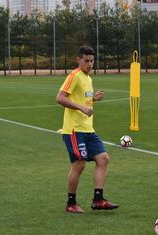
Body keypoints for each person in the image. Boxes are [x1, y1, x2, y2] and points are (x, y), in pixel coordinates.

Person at [56, 46, 119, 214]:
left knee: (103, 159)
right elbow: (60, 97)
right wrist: (81, 108)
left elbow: (83, 100)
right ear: (78, 60)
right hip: (74, 130)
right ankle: (71, 203)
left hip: (88, 129)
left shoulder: (88, 78)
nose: (90, 64)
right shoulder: (74, 76)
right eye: (87, 61)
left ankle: (98, 200)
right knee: (79, 164)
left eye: (92, 61)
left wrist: (93, 99)